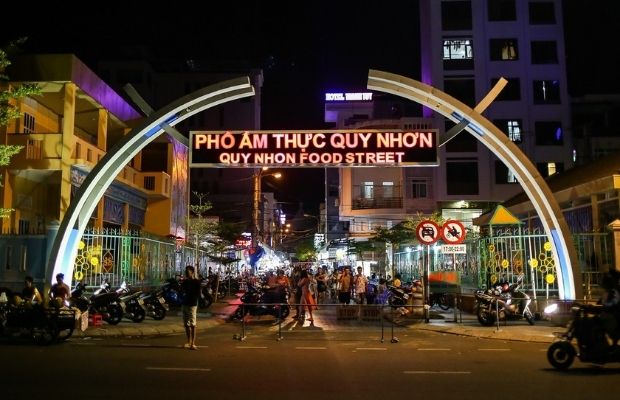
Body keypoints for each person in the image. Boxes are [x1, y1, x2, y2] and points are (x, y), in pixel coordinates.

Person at [181, 265, 202, 350]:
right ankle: (188, 341)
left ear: (192, 272)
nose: (186, 273)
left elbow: (198, 294)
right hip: (185, 303)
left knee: (193, 324)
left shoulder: (196, 282)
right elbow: (182, 291)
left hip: (192, 304)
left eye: (188, 272)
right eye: (185, 272)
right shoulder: (185, 282)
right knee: (186, 324)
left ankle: (193, 343)